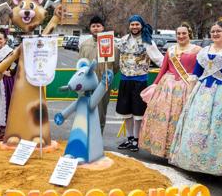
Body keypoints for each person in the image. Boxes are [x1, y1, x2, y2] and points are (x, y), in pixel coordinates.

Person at [169, 19, 222, 176]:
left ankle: (216, 166)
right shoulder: (204, 51)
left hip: (221, 93)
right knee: (195, 125)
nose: (215, 34)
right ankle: (194, 162)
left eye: (218, 31)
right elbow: (196, 73)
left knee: (218, 128)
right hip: (201, 92)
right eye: (213, 31)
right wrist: (191, 92)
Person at [139, 23, 200, 158]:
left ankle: (180, 151)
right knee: (163, 118)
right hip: (167, 87)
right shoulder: (171, 50)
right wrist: (154, 86)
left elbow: (200, 71)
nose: (181, 36)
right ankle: (164, 150)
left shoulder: (198, 50)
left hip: (186, 87)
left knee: (181, 118)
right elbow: (163, 69)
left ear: (189, 34)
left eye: (184, 33)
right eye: (178, 34)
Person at [115, 15, 164, 152]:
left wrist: (169, 69)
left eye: (137, 24)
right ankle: (129, 138)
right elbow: (110, 50)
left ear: (141, 25)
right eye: (132, 24)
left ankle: (137, 139)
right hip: (125, 80)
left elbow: (159, 59)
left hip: (139, 81)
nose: (134, 27)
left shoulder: (147, 41)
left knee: (138, 113)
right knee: (126, 112)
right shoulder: (123, 40)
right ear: (129, 26)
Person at [78, 15, 120, 134]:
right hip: (87, 83)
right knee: (85, 109)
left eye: (98, 26)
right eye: (93, 26)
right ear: (90, 28)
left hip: (103, 83)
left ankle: (98, 137)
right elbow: (80, 63)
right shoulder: (84, 45)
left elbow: (116, 66)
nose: (96, 28)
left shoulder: (112, 45)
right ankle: (85, 136)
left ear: (103, 27)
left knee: (101, 111)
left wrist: (106, 76)